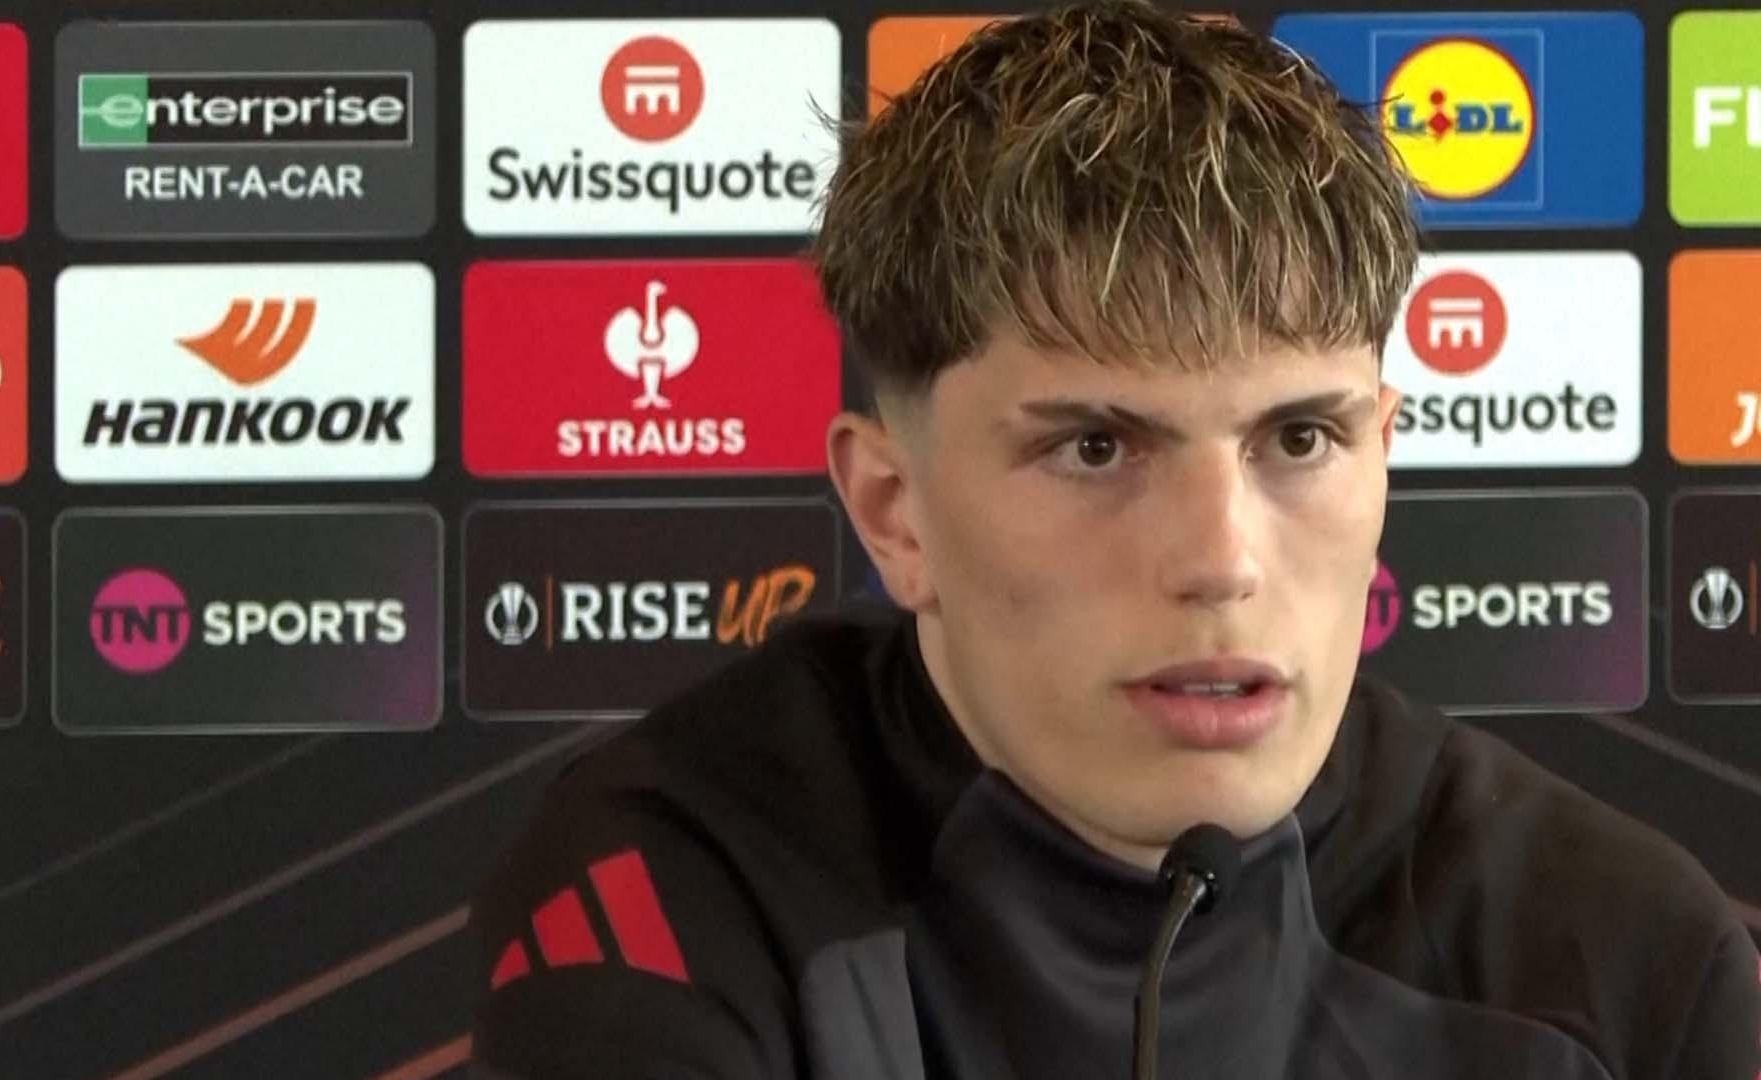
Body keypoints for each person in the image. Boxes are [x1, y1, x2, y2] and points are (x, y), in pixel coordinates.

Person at [471, 3, 1761, 1076]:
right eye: (1096, 449)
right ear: (893, 512)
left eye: (1299, 439)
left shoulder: (1624, 954)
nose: (1221, 561)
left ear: (1383, 449)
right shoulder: (672, 893)